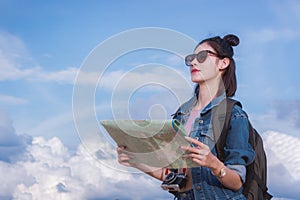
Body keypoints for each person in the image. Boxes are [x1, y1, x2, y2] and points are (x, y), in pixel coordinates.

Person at [117, 34, 255, 200]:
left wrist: (214, 164)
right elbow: (174, 177)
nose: (194, 62)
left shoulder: (233, 114)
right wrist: (136, 160)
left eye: (202, 56)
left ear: (223, 63)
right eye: (191, 58)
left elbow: (237, 182)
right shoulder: (181, 115)